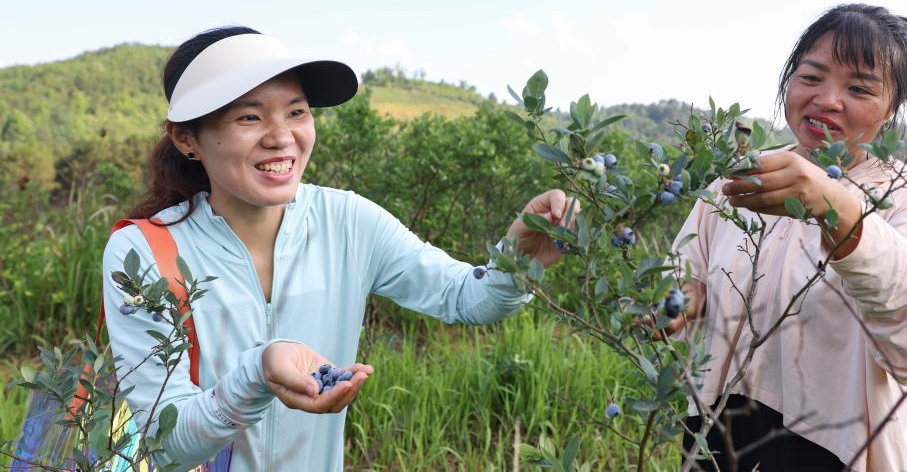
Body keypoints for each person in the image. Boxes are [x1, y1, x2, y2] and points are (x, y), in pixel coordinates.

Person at [101, 26, 571, 470]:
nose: (281, 136)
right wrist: (257, 373)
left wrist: (518, 259)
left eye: (296, 111)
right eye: (249, 116)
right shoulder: (141, 251)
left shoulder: (348, 222)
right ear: (187, 138)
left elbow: (465, 298)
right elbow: (163, 448)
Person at [667, 4, 907, 471]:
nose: (828, 100)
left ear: (890, 110)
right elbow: (690, 272)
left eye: (859, 88)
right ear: (789, 83)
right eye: (811, 77)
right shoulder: (740, 180)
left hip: (829, 451)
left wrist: (835, 207)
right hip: (715, 426)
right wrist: (681, 301)